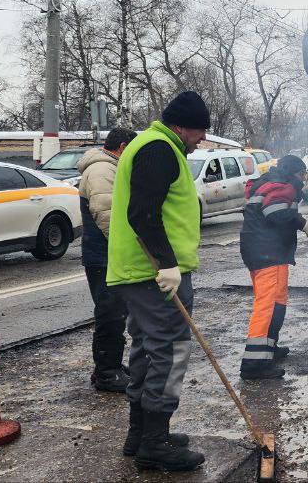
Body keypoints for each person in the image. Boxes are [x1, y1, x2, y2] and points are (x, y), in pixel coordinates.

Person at [107, 91, 209, 471]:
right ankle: (155, 442)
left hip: (141, 273)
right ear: (180, 126)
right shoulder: (159, 149)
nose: (202, 139)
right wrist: (167, 264)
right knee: (171, 351)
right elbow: (142, 213)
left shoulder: (152, 145)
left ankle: (140, 435)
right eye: (199, 130)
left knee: (146, 349)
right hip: (156, 274)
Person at [237, 154, 308, 380]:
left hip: (262, 250)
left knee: (277, 303)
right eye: (302, 174)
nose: (303, 179)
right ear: (295, 173)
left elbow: (277, 208)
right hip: (267, 252)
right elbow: (275, 213)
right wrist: (303, 222)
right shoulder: (283, 185)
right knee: (268, 306)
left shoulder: (271, 182)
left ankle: (268, 349)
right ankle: (254, 365)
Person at [77, 127, 138, 392]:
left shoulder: (108, 168)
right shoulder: (102, 171)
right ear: (123, 147)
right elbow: (107, 216)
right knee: (110, 313)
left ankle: (110, 365)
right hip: (103, 256)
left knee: (115, 312)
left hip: (105, 254)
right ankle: (106, 373)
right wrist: (127, 250)